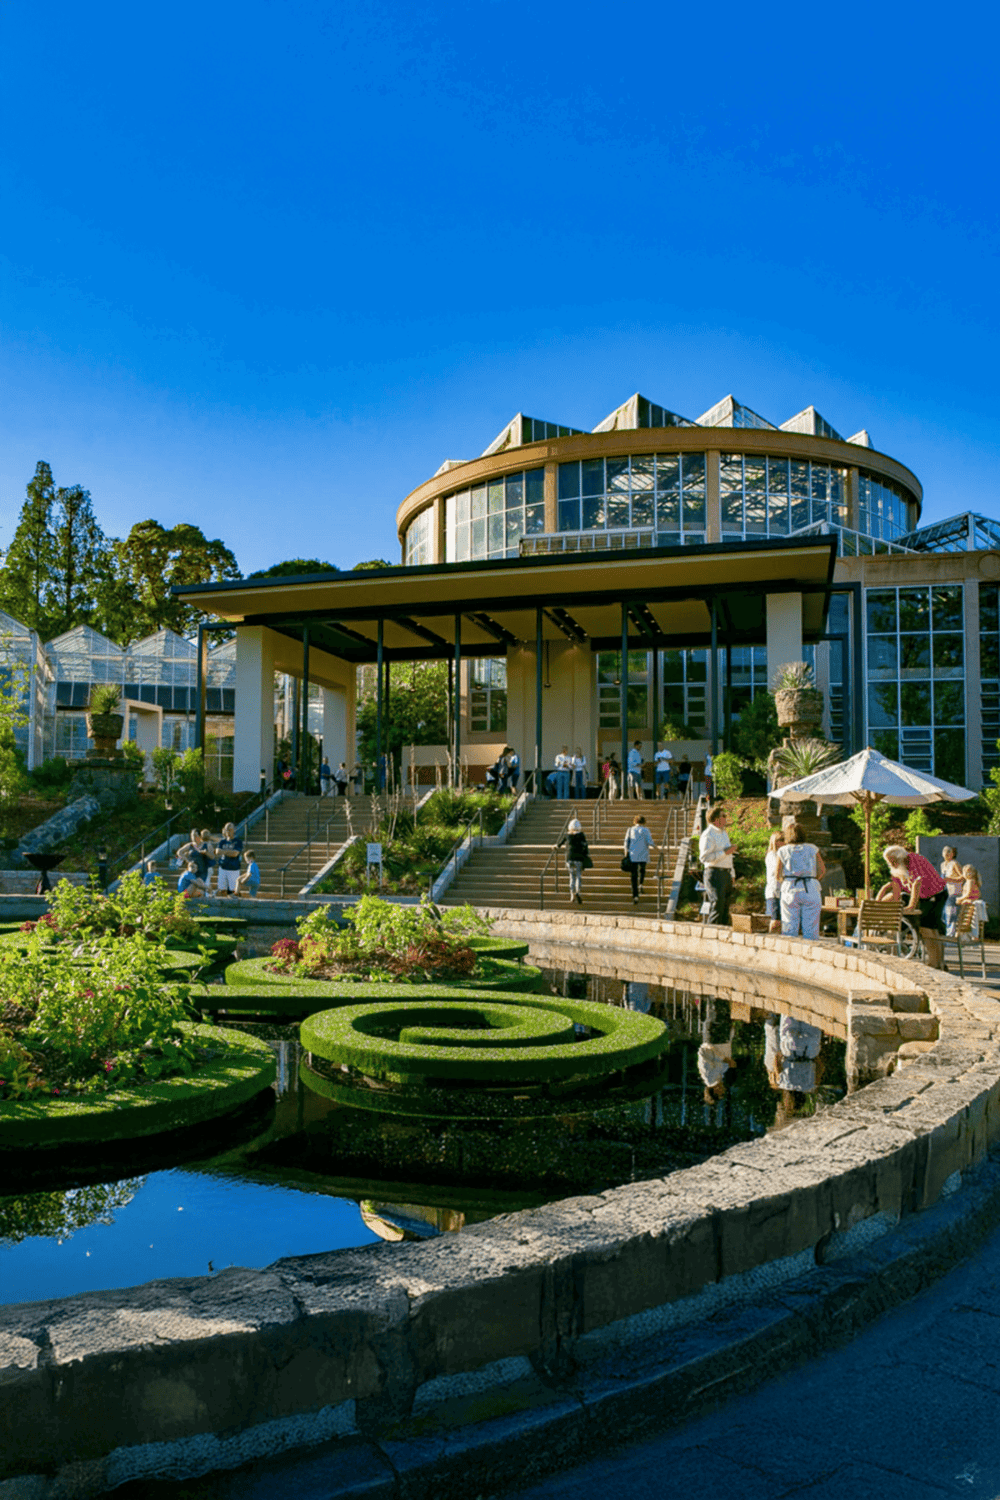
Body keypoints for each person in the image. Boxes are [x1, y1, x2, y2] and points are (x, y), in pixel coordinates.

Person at [877, 845, 947, 969]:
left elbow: (917, 883)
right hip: (925, 896)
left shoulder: (914, 859)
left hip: (936, 894)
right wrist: (880, 901)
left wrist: (911, 905)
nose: (891, 864)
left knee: (928, 928)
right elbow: (896, 888)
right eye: (889, 862)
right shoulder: (898, 868)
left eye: (893, 861)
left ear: (900, 857)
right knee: (930, 930)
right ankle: (939, 964)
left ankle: (935, 964)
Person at [776, 822, 826, 939]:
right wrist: (813, 880)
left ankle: (789, 948)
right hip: (810, 887)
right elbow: (822, 870)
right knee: (811, 928)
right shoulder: (812, 848)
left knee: (789, 926)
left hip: (790, 886)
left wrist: (785, 882)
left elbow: (777, 874)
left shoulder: (783, 850)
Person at [698, 805, 734, 926]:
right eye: (723, 816)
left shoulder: (724, 833)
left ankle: (723, 935)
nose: (726, 818)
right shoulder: (708, 834)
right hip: (714, 873)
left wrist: (732, 873)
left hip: (726, 873)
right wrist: (725, 852)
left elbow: (729, 855)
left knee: (725, 908)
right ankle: (712, 933)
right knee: (717, 906)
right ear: (715, 819)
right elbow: (704, 858)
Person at [623, 813, 654, 903]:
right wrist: (658, 850)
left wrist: (626, 854)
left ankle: (635, 895)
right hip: (643, 854)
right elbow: (650, 842)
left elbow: (626, 842)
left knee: (634, 875)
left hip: (633, 855)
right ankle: (641, 883)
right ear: (644, 822)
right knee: (642, 869)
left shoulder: (630, 829)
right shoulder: (646, 830)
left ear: (635, 821)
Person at [559, 816, 590, 905]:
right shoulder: (581, 835)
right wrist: (586, 855)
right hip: (578, 859)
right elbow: (585, 846)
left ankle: (572, 894)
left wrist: (556, 846)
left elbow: (560, 843)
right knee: (578, 876)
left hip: (569, 858)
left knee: (571, 876)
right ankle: (578, 892)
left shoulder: (567, 835)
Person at [214, 821, 244, 896]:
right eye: (227, 829)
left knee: (233, 891)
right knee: (222, 890)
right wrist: (229, 852)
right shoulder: (222, 841)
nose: (228, 831)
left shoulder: (238, 841)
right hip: (223, 867)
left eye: (230, 829)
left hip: (233, 868)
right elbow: (217, 851)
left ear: (234, 830)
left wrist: (223, 851)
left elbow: (235, 854)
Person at [941, 846, 964, 935]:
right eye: (944, 851)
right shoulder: (942, 864)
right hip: (946, 892)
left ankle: (951, 936)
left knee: (951, 914)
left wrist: (950, 879)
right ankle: (947, 934)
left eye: (949, 851)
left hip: (954, 892)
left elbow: (963, 877)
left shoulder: (955, 863)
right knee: (944, 914)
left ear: (953, 854)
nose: (946, 853)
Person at [764, 831, 784, 932]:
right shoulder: (772, 855)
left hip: (783, 893)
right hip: (774, 892)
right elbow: (777, 872)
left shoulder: (783, 855)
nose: (784, 842)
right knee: (774, 921)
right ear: (775, 842)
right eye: (781, 840)